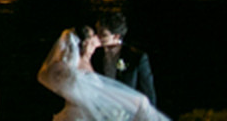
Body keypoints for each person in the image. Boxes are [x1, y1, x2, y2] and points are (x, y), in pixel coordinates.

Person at [38, 28, 168, 121]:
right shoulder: (80, 68)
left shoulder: (66, 66)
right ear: (87, 43)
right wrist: (135, 101)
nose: (97, 38)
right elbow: (100, 93)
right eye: (94, 35)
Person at [94, 12, 156, 107]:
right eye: (97, 32)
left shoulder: (136, 57)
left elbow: (148, 93)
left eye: (103, 34)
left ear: (116, 36)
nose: (98, 37)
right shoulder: (95, 55)